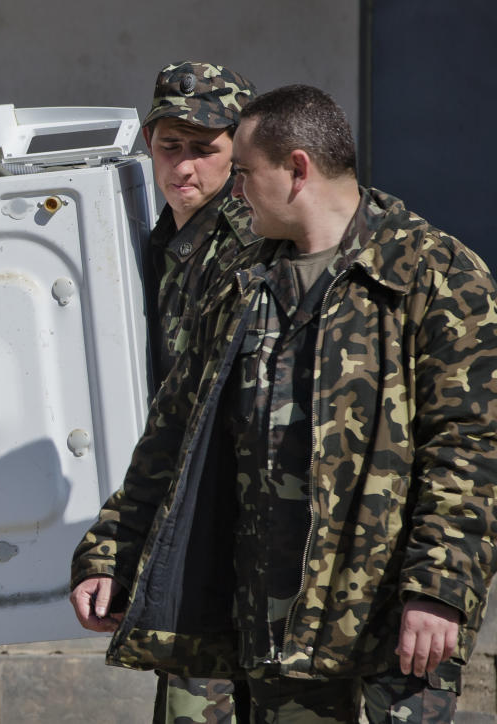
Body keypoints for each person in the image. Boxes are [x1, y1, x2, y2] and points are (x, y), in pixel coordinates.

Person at [70, 83, 497, 721]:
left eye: (243, 173)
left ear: (297, 170)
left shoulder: (433, 275)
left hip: (388, 627)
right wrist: (112, 548)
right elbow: (174, 433)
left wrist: (438, 589)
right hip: (268, 624)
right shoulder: (244, 282)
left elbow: (468, 446)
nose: (234, 191)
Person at [71, 61, 258, 723]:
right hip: (184, 525)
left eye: (204, 150)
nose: (183, 168)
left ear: (239, 149)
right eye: (169, 147)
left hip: (237, 541)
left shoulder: (251, 248)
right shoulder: (164, 240)